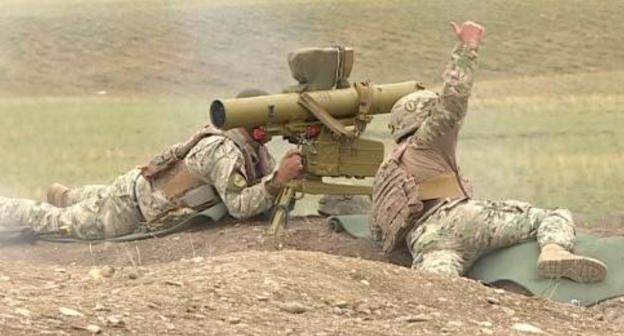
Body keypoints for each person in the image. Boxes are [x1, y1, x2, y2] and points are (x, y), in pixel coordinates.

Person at [369, 21, 607, 283]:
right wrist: (467, 47)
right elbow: (455, 97)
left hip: (426, 240)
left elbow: (381, 230)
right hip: (460, 219)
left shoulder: (388, 169)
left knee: (436, 286)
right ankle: (554, 252)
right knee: (551, 215)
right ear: (426, 117)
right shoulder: (428, 140)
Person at [0, 90, 302, 241]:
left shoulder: (252, 149)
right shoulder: (224, 151)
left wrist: (281, 178)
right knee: (55, 222)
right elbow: (238, 205)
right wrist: (278, 180)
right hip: (131, 209)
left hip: (135, 191)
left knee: (94, 199)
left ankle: (71, 196)